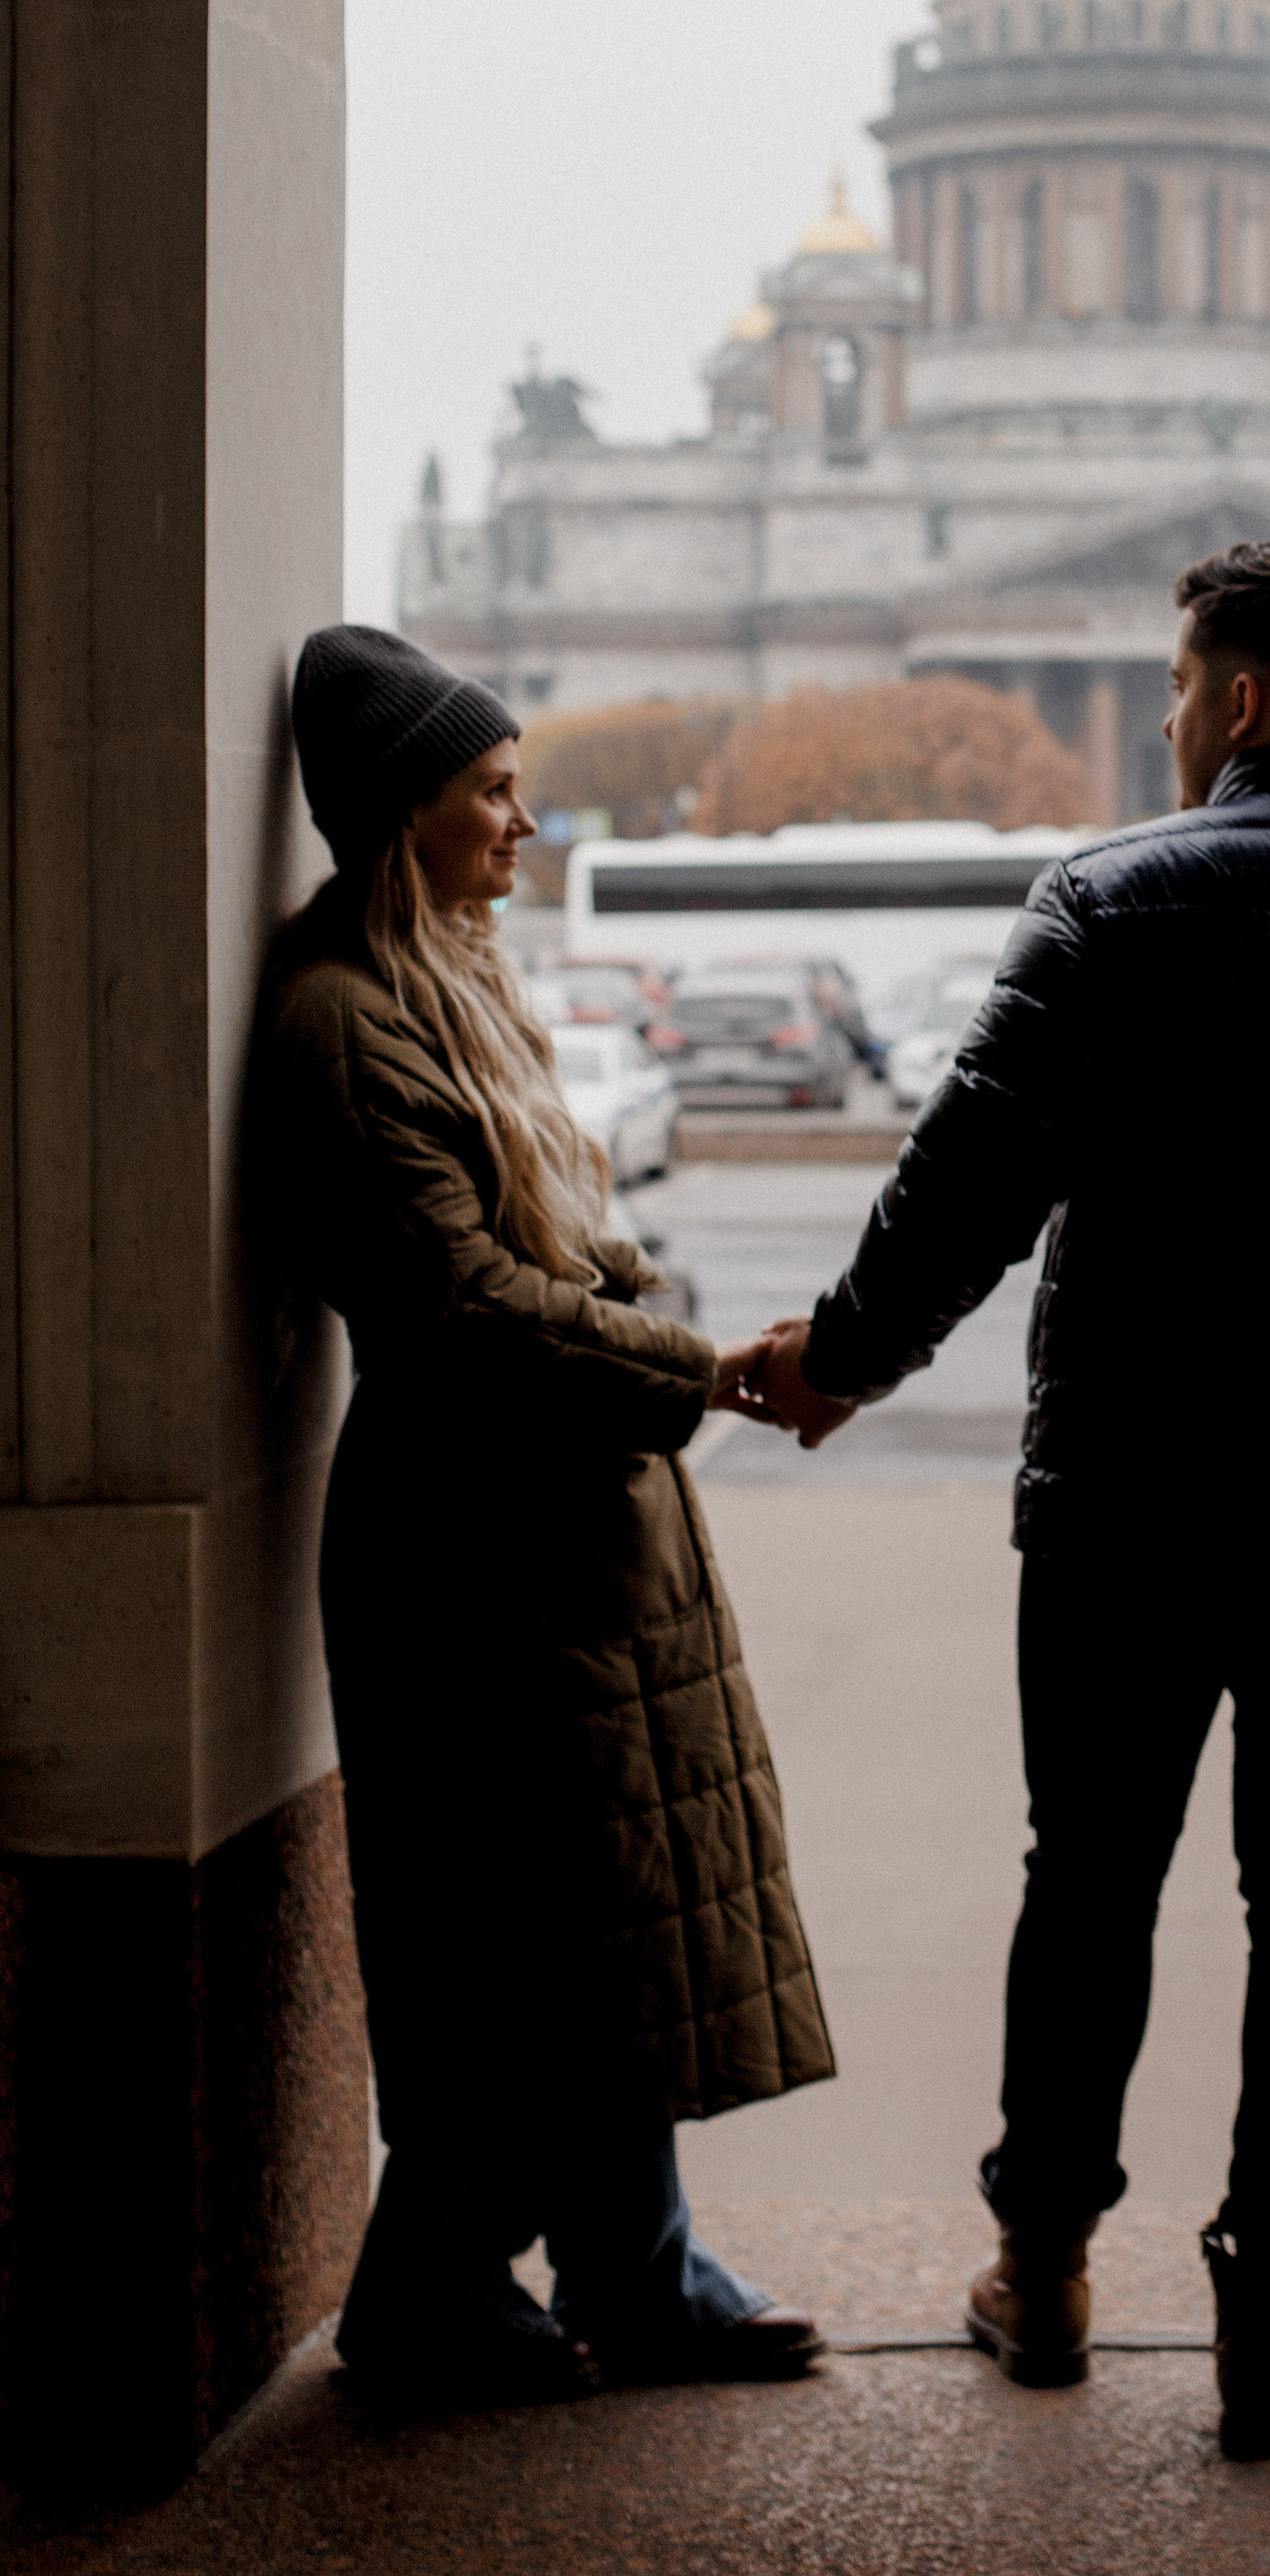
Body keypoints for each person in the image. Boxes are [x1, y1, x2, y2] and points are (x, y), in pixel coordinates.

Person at [723, 542, 1270, 2457]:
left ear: (1227, 699)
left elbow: (961, 1181)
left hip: (1128, 1491)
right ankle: (1268, 2317)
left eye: (1171, 681)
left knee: (1088, 1879)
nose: (1155, 711)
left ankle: (1040, 2276)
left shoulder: (1109, 900)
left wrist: (840, 1366)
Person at [266, 625, 834, 2411]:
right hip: (476, 1539)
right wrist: (698, 1369)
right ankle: (438, 2292)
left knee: (601, 1910)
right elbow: (460, 1308)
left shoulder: (449, 979)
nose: (525, 823)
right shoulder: (353, 1026)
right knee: (521, 1927)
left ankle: (628, 2274)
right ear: (399, 818)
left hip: (552, 1525)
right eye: (491, 791)